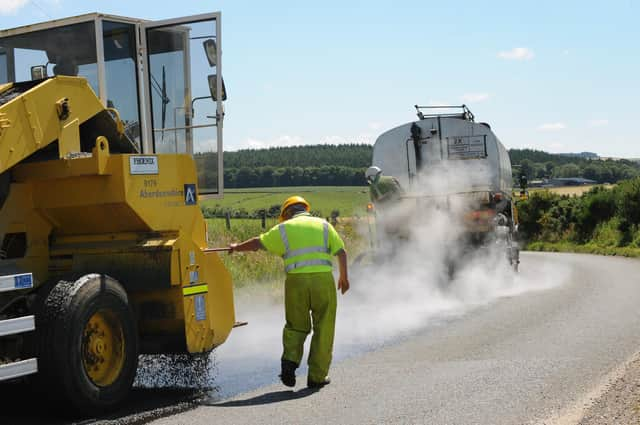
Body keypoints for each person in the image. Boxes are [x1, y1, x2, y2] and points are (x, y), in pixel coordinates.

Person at [229, 196, 349, 389]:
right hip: (323, 281)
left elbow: (257, 243)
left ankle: (289, 364)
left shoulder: (284, 229)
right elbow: (341, 252)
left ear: (286, 213)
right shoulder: (324, 225)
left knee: (296, 325)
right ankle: (317, 377)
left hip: (296, 282)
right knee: (324, 327)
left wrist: (236, 248)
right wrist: (344, 277)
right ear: (305, 209)